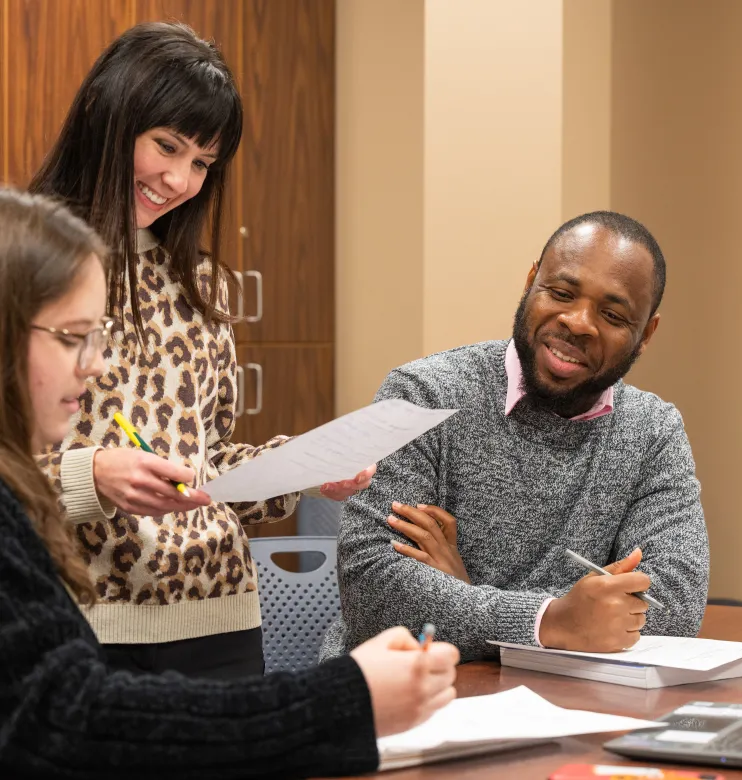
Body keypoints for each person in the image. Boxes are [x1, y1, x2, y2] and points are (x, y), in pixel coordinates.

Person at [0, 188, 459, 779]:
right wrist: (348, 698)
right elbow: (70, 722)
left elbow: (70, 718)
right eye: (71, 338)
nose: (91, 367)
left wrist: (300, 467)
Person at [30, 22, 372, 678]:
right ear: (107, 115)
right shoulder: (23, 262)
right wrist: (91, 475)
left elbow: (203, 470)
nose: (180, 180)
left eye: (202, 164)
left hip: (221, 622)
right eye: (167, 146)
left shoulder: (203, 284)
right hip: (74, 619)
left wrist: (299, 470)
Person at [320, 211, 710, 663]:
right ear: (530, 282)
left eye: (612, 314)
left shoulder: (653, 431)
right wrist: (550, 621)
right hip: (408, 699)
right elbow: (374, 593)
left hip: (571, 704)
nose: (579, 322)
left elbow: (674, 605)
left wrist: (468, 594)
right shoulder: (422, 396)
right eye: (561, 293)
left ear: (647, 335)